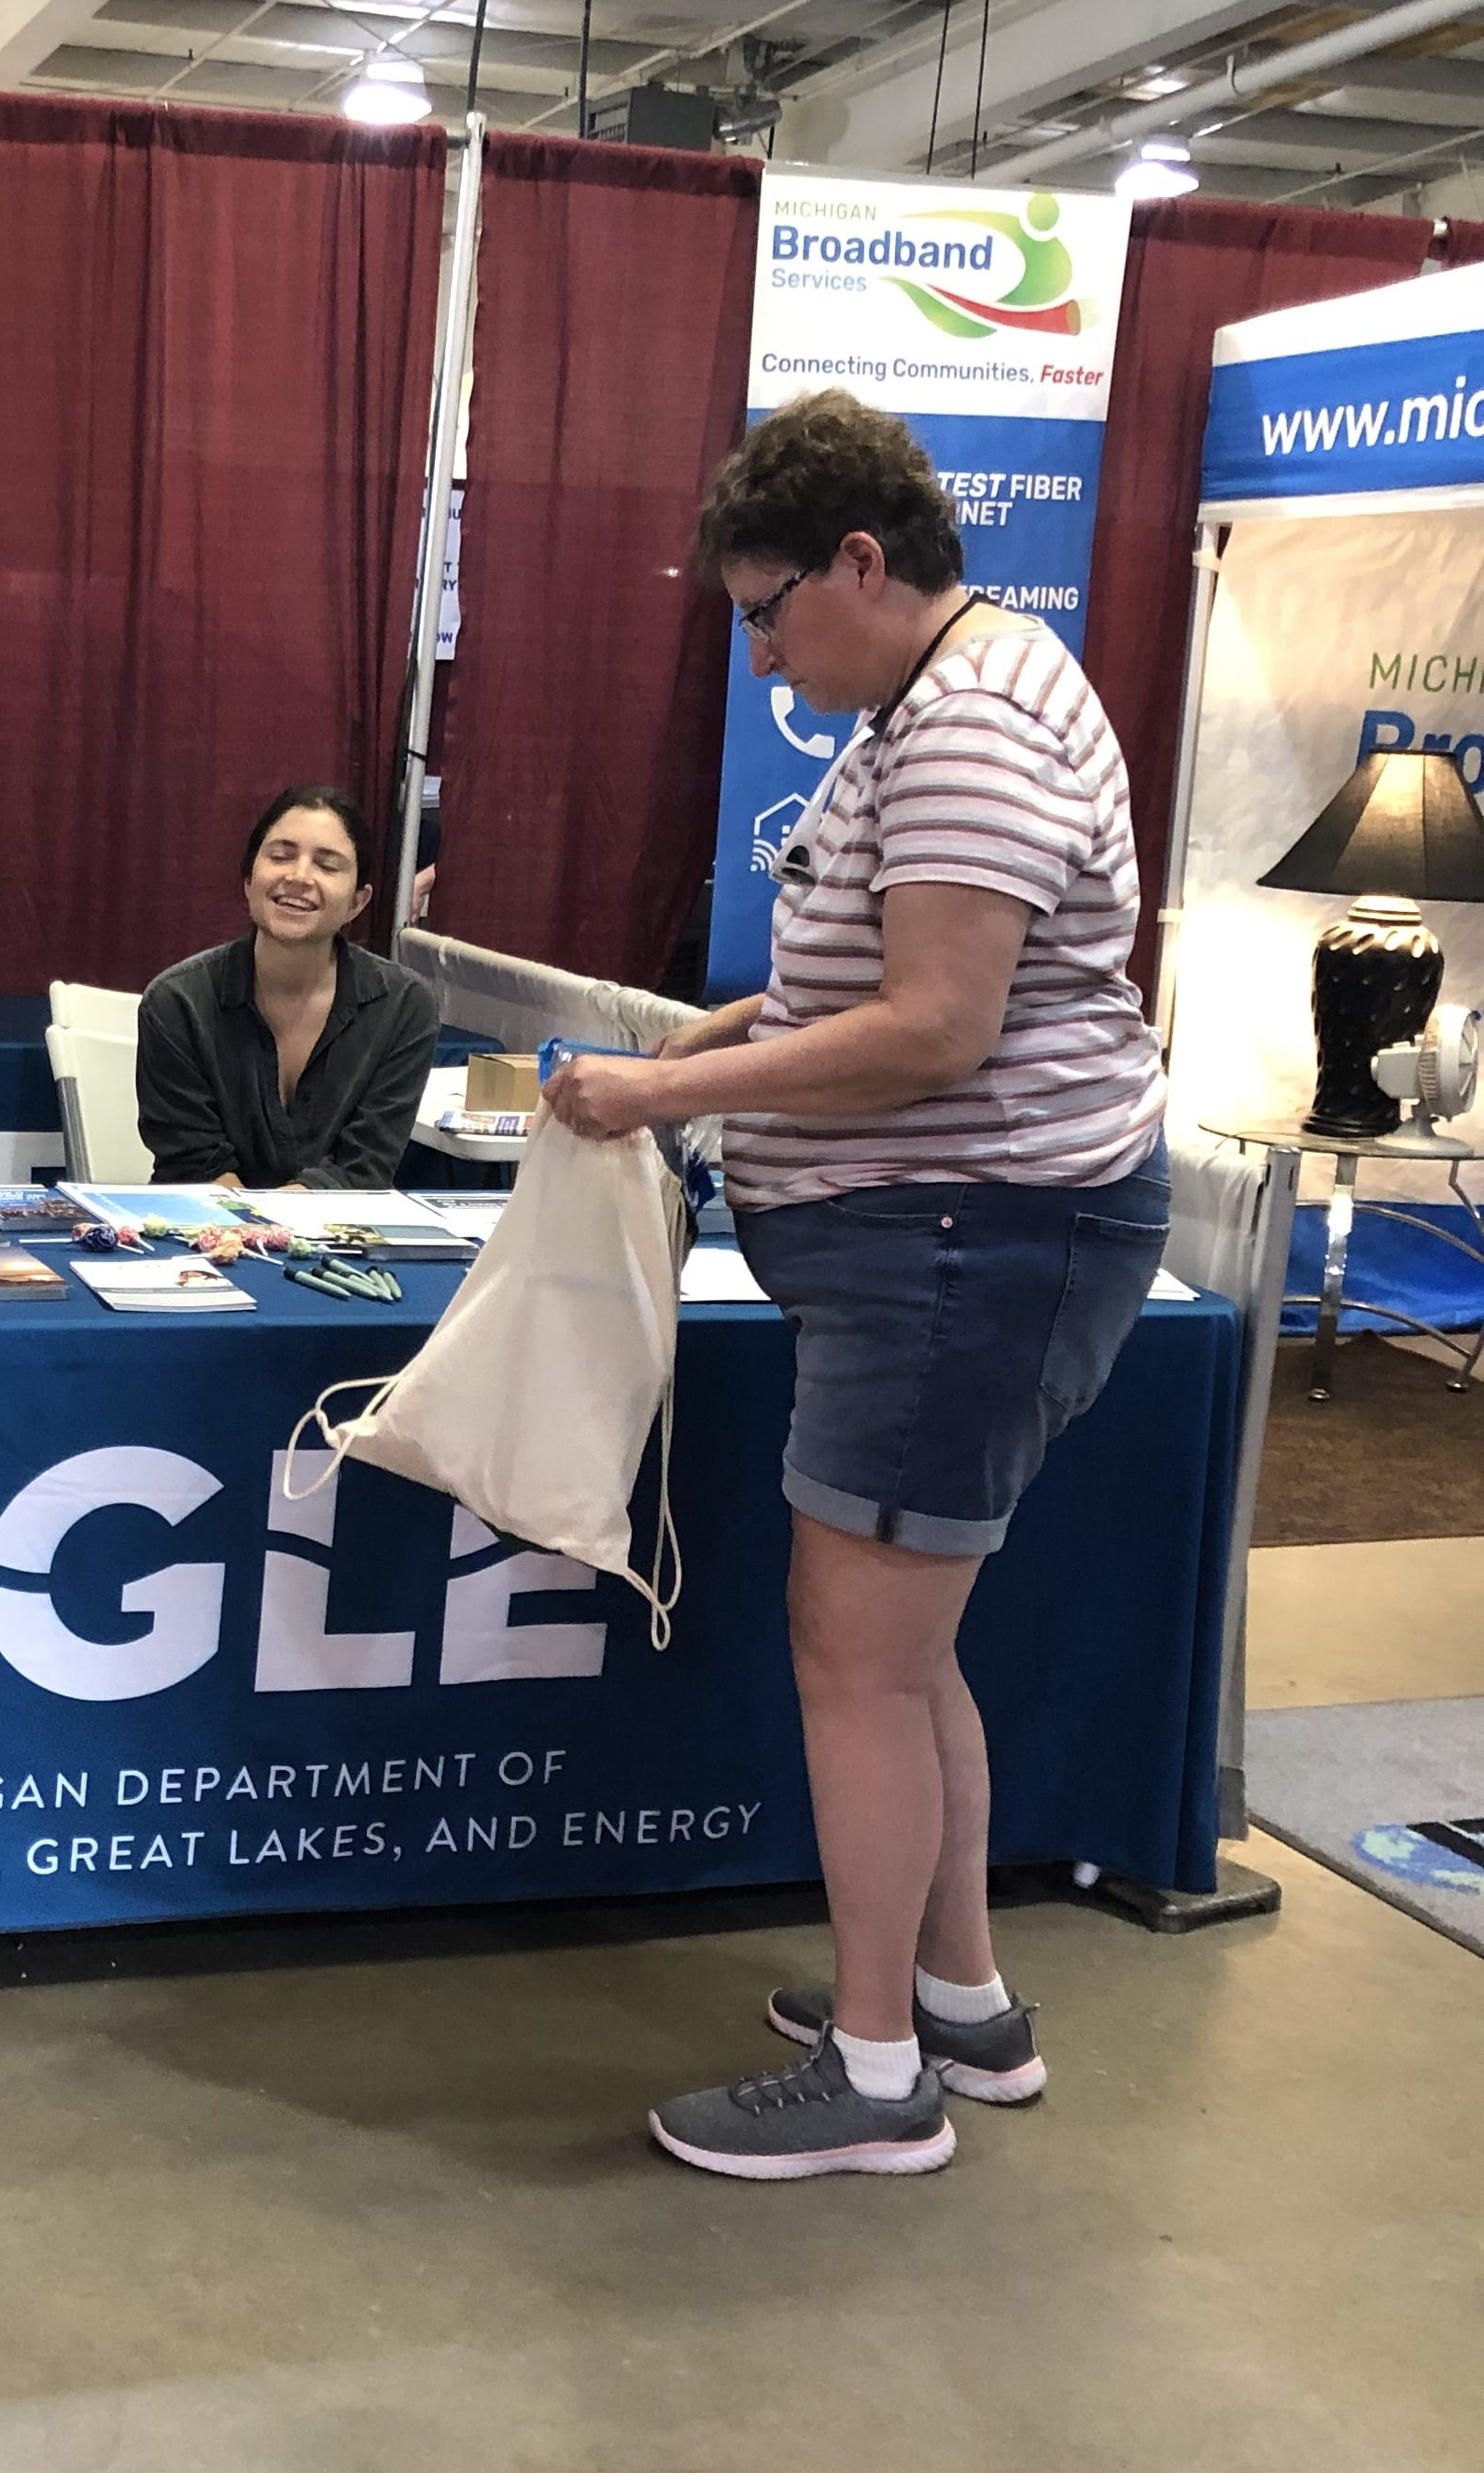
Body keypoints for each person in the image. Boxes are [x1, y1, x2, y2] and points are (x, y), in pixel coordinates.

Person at [546, 389, 1167, 2182]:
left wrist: (669, 1091)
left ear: (861, 562)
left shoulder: (965, 719)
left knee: (857, 1663)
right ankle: (953, 1996)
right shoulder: (938, 692)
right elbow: (850, 985)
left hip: (962, 1244)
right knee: (904, 1653)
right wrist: (711, 1036)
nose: (755, 654)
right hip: (945, 1242)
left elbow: (931, 1027)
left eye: (765, 610)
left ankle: (878, 2072)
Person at [135, 788, 439, 1189]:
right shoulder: (176, 1003)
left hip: (338, 1239)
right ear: (248, 880)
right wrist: (258, 1238)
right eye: (281, 856)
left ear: (358, 902)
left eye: (328, 866)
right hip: (202, 1236)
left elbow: (362, 1170)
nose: (298, 877)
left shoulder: (404, 1007)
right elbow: (195, 1166)